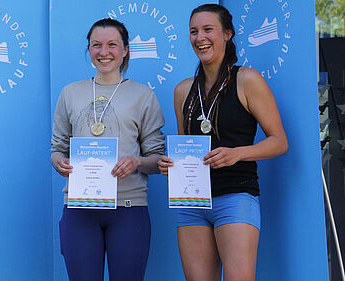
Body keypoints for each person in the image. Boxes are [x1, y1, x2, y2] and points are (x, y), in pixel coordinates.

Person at [158, 4, 288, 281]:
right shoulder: (182, 90)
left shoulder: (247, 80)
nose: (199, 37)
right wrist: (172, 164)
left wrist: (237, 154)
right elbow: (186, 149)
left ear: (227, 34)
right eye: (193, 31)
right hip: (192, 201)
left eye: (208, 29)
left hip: (236, 196)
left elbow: (279, 142)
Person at [51, 18, 165, 281]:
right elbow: (57, 148)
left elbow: (157, 157)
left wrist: (136, 162)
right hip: (80, 208)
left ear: (125, 50)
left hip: (129, 208)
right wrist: (60, 163)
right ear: (89, 49)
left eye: (112, 45)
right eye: (96, 45)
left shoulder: (143, 95)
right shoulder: (70, 93)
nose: (104, 52)